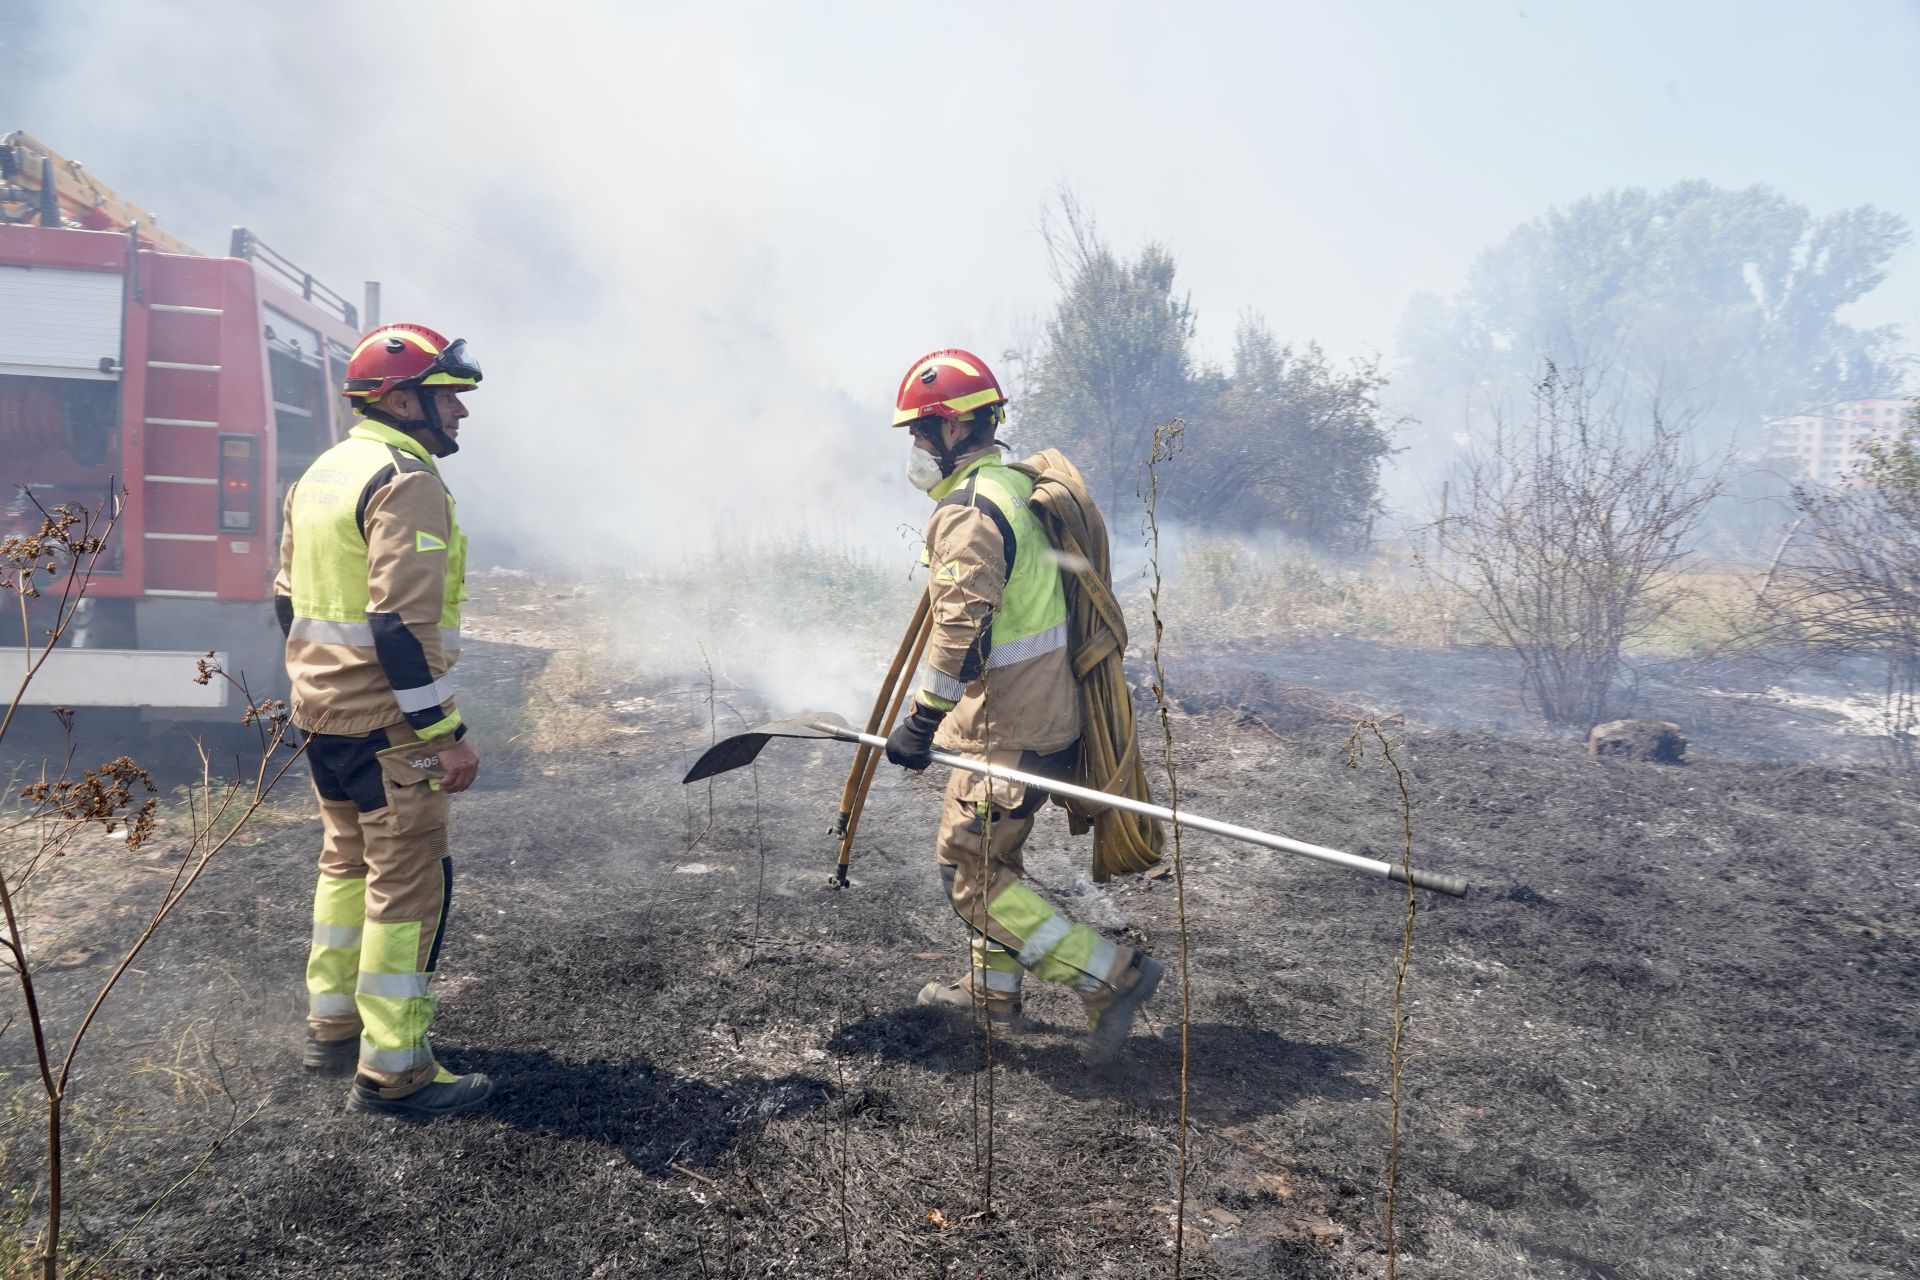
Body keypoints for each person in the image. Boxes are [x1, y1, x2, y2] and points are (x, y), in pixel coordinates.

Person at [883, 348, 1163, 1064]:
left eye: (920, 432)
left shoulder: (971, 511)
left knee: (970, 878)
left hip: (1011, 726)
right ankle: (990, 994)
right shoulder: (1013, 487)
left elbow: (961, 633)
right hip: (1025, 717)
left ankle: (1108, 976)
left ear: (951, 430)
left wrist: (919, 721)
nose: (914, 448)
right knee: (981, 852)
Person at [274, 322, 491, 1119]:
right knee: (407, 888)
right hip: (391, 730)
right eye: (448, 400)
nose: (461, 416)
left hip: (323, 716)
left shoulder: (322, 472)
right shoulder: (406, 478)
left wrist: (317, 689)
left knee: (344, 865)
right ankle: (393, 1069)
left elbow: (285, 602)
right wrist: (445, 735)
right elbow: (398, 626)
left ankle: (331, 1026)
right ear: (401, 400)